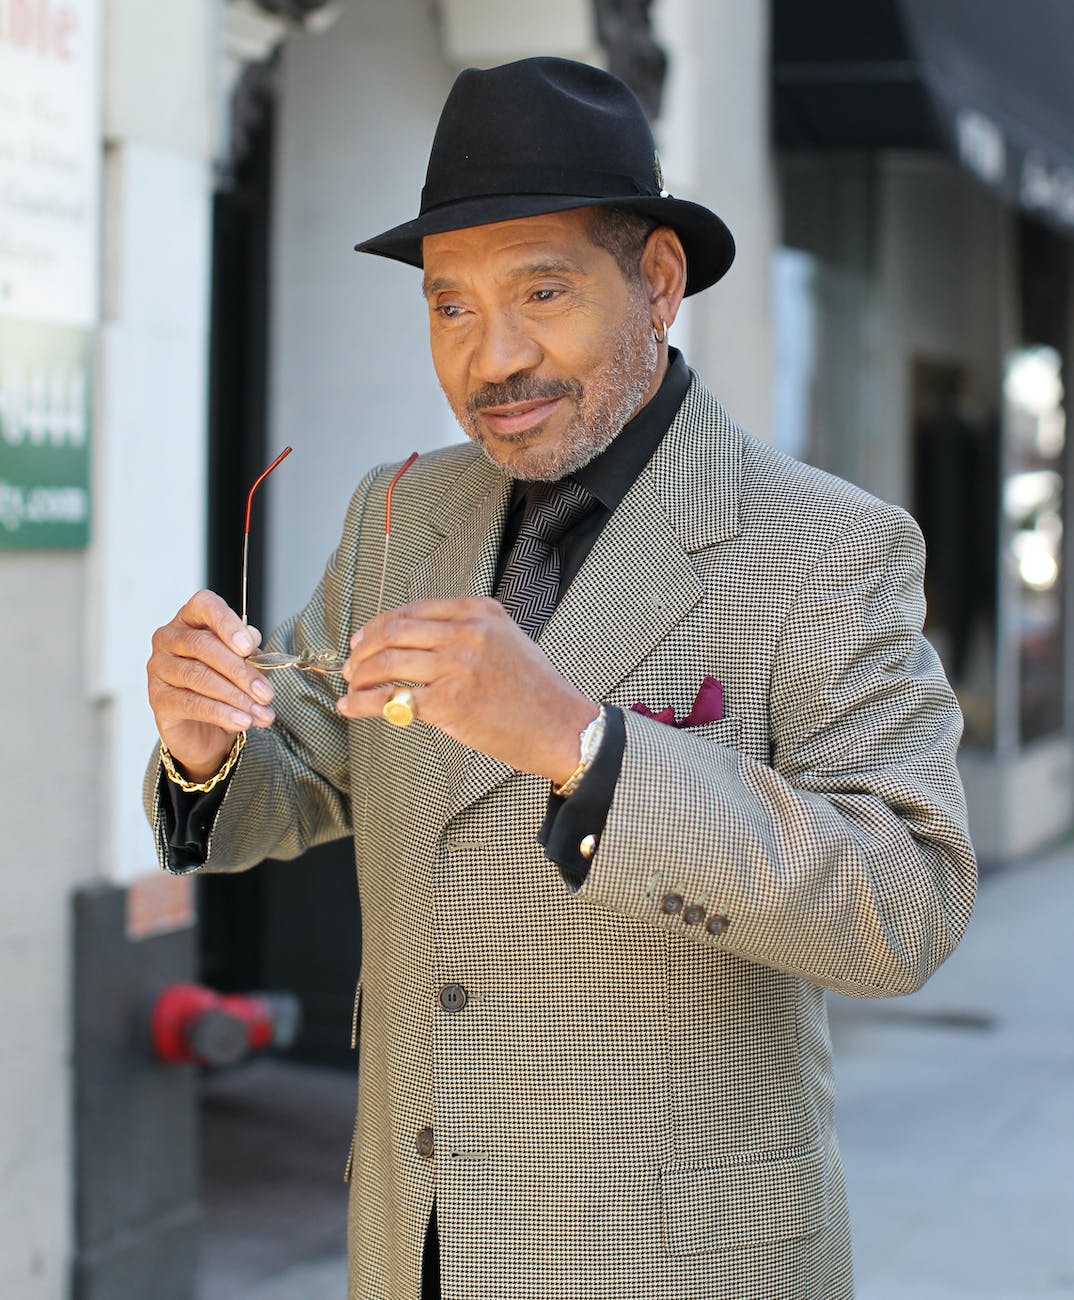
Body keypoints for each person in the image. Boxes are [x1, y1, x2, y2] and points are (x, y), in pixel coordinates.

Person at [145, 57, 976, 1300]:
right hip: (412, 1249)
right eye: (451, 307)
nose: (495, 358)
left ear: (656, 280)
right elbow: (304, 771)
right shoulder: (397, 512)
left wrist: (585, 747)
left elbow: (903, 902)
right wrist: (206, 745)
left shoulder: (828, 545)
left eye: (542, 290)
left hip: (674, 1262)